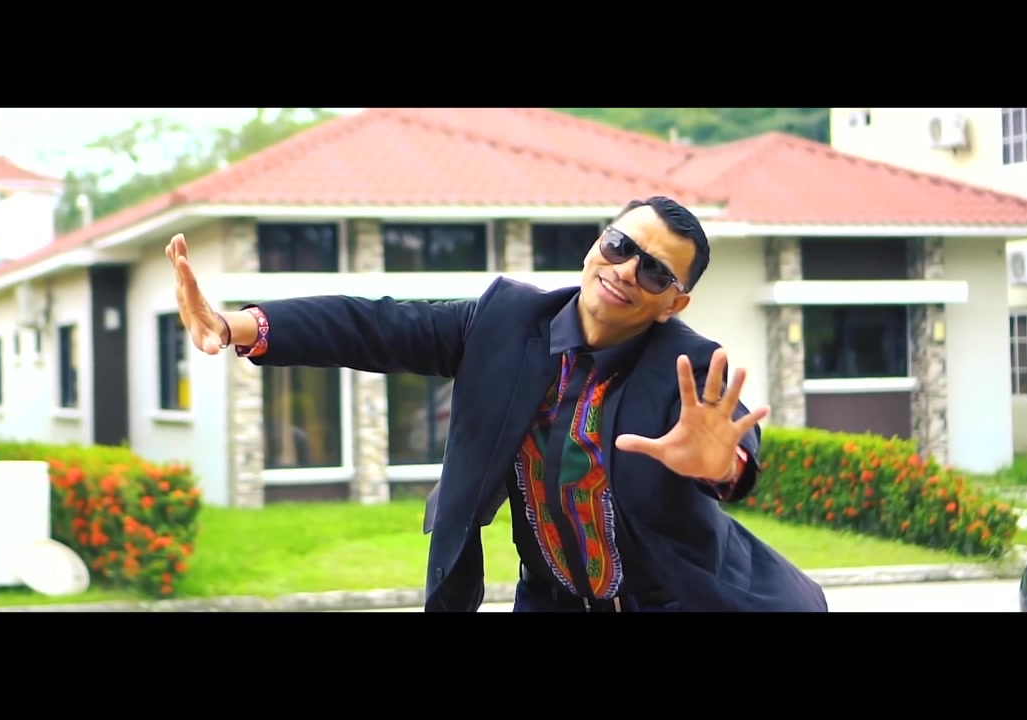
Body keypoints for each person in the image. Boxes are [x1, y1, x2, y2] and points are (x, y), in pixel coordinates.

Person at [167, 196, 829, 612]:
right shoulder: (503, 323)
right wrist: (235, 325)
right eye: (620, 246)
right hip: (551, 600)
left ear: (673, 302)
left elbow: (728, 441)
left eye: (655, 271)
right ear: (596, 244)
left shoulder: (688, 366)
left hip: (673, 601)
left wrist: (720, 466)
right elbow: (373, 324)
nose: (628, 270)